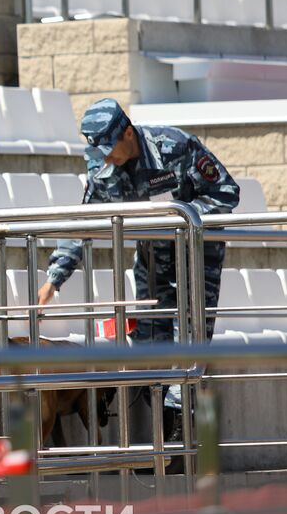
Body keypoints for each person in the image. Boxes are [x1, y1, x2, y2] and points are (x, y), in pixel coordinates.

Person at [37, 98, 240, 437]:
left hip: (195, 255)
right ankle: (164, 429)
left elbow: (226, 193)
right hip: (152, 258)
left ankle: (179, 431)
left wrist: (180, 215)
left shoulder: (174, 147)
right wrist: (55, 278)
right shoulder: (102, 166)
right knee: (148, 342)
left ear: (127, 133)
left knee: (188, 338)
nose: (107, 158)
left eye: (110, 148)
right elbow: (87, 221)